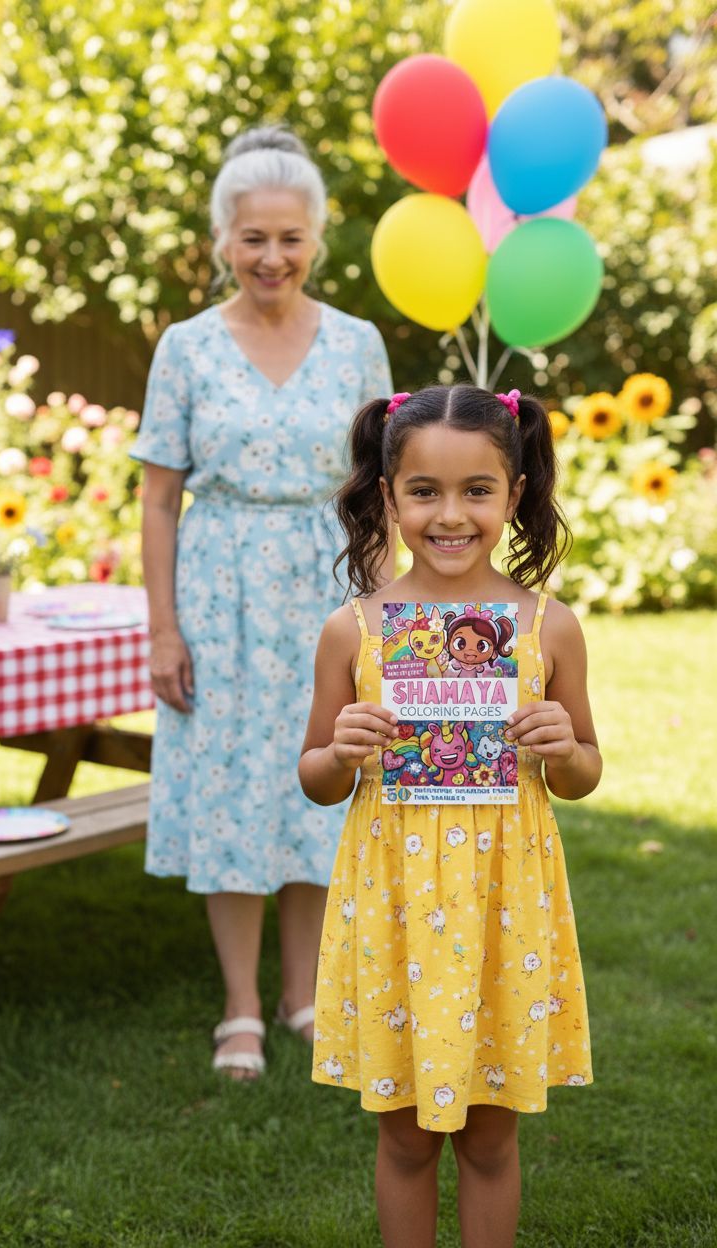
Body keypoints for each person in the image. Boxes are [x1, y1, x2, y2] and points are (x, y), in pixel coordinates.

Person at [299, 385, 602, 1248]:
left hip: (505, 903)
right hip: (394, 899)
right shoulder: (354, 630)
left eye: (478, 489)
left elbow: (584, 773)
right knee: (403, 1133)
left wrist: (563, 745)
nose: (451, 514)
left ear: (515, 495)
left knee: (491, 1132)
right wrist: (342, 750)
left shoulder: (549, 626)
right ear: (387, 496)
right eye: (424, 491)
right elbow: (315, 778)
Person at [131, 125, 393, 1080]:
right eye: (253, 239)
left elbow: (383, 490)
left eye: (290, 238)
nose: (272, 257)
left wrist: (385, 615)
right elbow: (159, 497)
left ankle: (303, 996)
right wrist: (163, 629)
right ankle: (239, 1007)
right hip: (220, 591)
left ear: (315, 238)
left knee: (319, 782)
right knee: (232, 792)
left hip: (329, 590)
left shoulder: (359, 345)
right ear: (223, 240)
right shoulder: (188, 348)